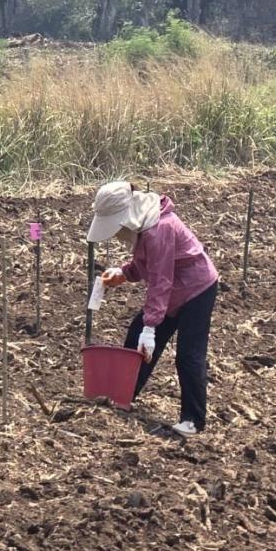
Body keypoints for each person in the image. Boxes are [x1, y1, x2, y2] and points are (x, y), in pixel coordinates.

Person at [87, 181, 219, 436]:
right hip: (175, 290)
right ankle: (123, 394)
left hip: (197, 289)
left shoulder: (159, 229)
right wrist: (123, 273)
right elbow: (146, 264)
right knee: (139, 331)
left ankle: (193, 420)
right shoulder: (146, 224)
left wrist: (151, 328)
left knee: (188, 355)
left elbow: (160, 280)